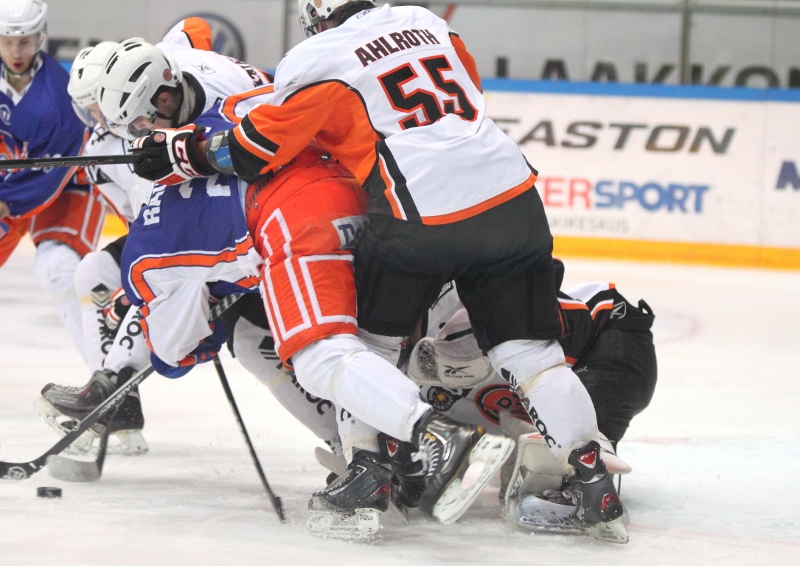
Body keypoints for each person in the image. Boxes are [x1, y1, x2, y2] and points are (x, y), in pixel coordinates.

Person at [131, 0, 628, 543]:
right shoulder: (429, 23)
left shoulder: (317, 55)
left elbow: (259, 146)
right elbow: (465, 96)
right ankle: (593, 483)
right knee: (532, 354)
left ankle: (371, 471)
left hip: (418, 212)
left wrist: (188, 151)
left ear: (317, 17)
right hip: (513, 195)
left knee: (364, 348)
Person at [0, 0, 104, 360]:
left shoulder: (57, 99)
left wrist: (4, 202)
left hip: (71, 180)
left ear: (41, 37)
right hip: (14, 178)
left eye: (26, 41)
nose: (16, 51)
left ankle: (108, 378)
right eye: (8, 41)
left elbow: (46, 177)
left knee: (58, 268)